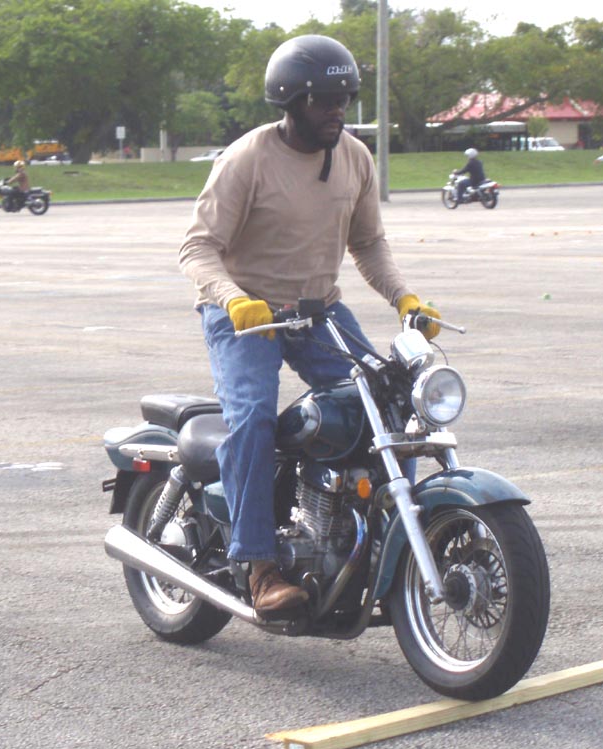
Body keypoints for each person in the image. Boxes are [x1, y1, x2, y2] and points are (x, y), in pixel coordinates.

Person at [179, 34, 440, 618]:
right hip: (246, 316)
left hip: (318, 310)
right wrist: (233, 299)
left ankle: (389, 538)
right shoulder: (246, 159)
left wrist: (404, 298)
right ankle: (259, 565)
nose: (337, 111)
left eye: (344, 99)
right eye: (325, 100)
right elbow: (197, 248)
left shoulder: (355, 157)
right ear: (291, 102)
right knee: (252, 417)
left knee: (391, 400)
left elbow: (368, 243)